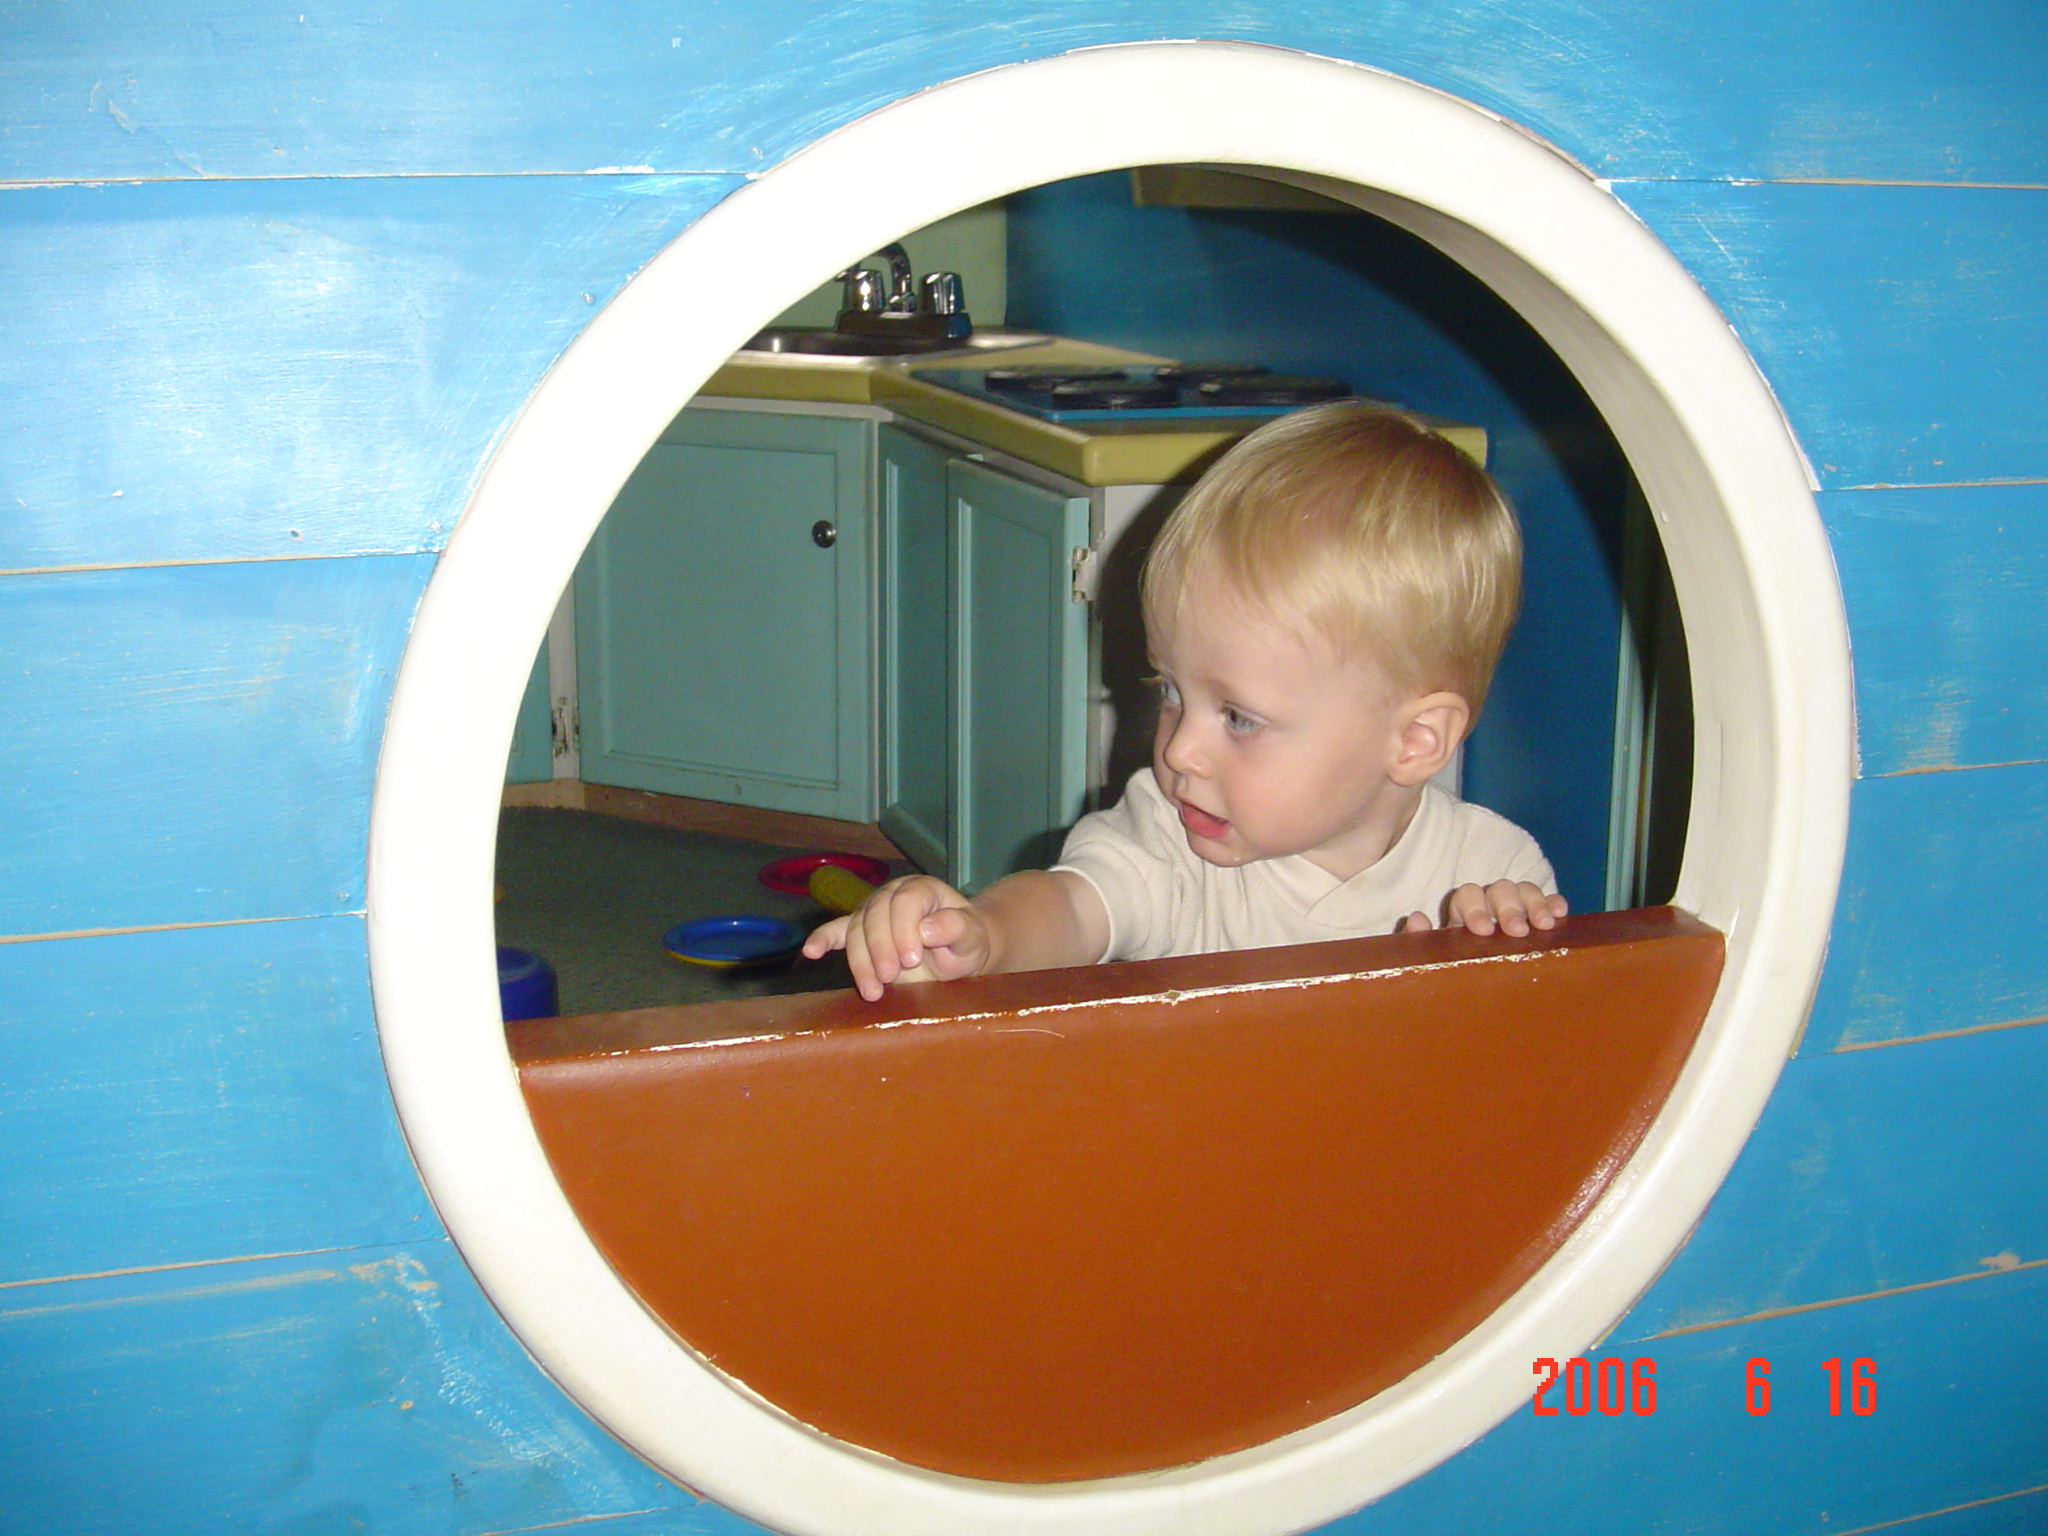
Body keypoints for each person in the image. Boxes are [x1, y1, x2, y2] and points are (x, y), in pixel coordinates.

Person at [805, 399, 1567, 1001]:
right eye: (1172, 691)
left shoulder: (1491, 872)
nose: (1177, 750)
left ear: (1416, 741)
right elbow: (1073, 907)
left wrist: (1507, 978)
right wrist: (981, 935)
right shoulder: (1170, 839)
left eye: (1238, 718)